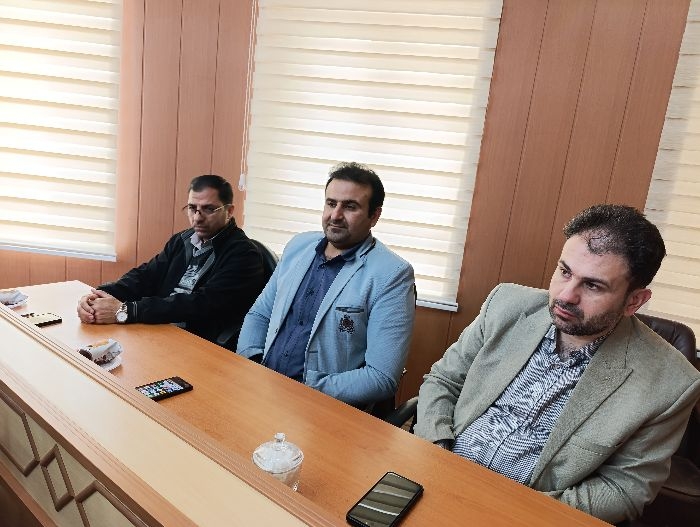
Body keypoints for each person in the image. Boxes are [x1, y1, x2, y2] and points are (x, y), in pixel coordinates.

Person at [415, 204, 700, 524]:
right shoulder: (506, 304)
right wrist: (437, 451)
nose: (565, 296)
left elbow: (624, 489)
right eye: (565, 272)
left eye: (592, 285)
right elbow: (443, 380)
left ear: (634, 300)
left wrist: (513, 510)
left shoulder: (670, 384)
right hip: (434, 474)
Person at [237, 162, 416, 407]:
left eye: (350, 207)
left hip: (320, 405)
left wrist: (303, 389)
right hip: (261, 386)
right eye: (331, 203)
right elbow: (260, 315)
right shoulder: (298, 246)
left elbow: (381, 376)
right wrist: (251, 365)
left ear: (374, 216)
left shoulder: (391, 274)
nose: (335, 216)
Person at [77, 175, 266, 348]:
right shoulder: (183, 240)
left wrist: (127, 311)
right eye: (192, 208)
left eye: (208, 209)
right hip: (157, 329)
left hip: (196, 343)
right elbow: (145, 276)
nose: (197, 218)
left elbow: (202, 304)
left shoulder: (244, 255)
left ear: (229, 211)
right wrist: (99, 296)